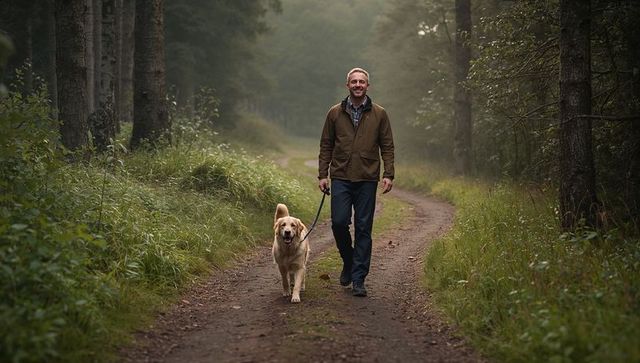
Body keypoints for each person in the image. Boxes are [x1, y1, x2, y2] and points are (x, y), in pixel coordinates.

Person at [318, 67, 394, 297]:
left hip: (367, 177)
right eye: (354, 82)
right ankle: (349, 261)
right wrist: (323, 174)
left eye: (362, 82)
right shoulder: (335, 113)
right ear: (347, 85)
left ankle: (359, 278)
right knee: (339, 223)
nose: (358, 85)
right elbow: (326, 145)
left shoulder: (380, 114)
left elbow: (387, 146)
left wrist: (388, 174)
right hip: (340, 175)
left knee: (363, 228)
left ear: (367, 86)